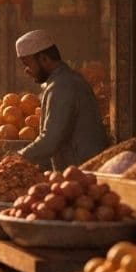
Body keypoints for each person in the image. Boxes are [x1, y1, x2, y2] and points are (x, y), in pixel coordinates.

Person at [14, 30, 110, 170]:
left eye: (28, 64)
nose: (26, 71)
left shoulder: (62, 85)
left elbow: (51, 140)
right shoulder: (64, 80)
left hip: (83, 173)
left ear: (44, 59)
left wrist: (16, 157)